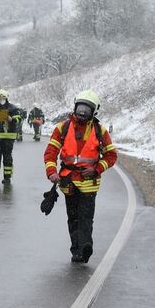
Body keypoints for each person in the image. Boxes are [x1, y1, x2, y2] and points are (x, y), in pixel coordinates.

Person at [44, 91, 117, 263]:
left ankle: (85, 247)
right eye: (80, 108)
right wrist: (52, 172)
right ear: (75, 106)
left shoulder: (100, 131)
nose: (82, 113)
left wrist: (97, 169)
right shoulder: (62, 128)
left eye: (86, 110)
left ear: (94, 112)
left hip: (89, 183)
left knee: (85, 217)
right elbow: (50, 153)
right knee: (73, 217)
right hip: (67, 182)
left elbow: (111, 156)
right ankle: (76, 249)